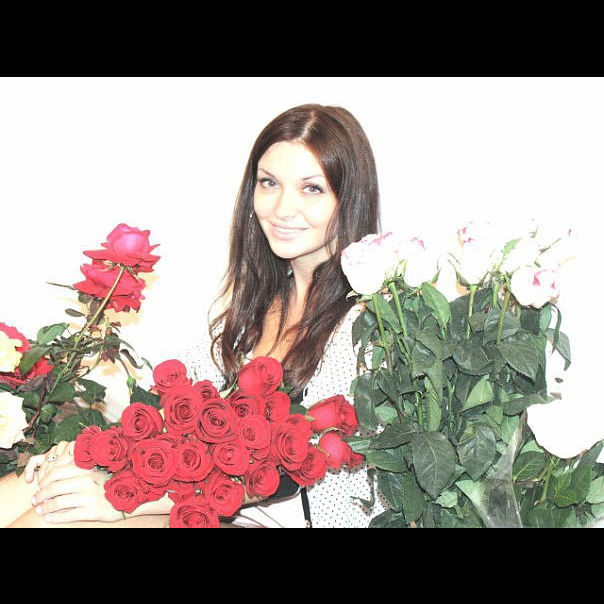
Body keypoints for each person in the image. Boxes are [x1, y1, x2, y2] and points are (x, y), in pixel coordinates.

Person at [0, 103, 386, 528]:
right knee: (32, 486)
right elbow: (172, 420)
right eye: (269, 183)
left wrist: (124, 502)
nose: (282, 208)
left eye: (311, 188)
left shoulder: (366, 326)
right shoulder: (252, 309)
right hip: (211, 508)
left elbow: (278, 477)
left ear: (349, 198)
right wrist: (84, 453)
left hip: (276, 518)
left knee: (55, 517)